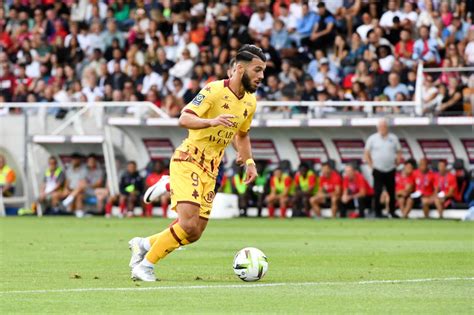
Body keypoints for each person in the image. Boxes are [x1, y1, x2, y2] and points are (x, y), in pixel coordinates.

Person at [129, 45, 265, 281]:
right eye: (257, 70)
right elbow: (184, 117)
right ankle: (145, 266)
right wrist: (212, 122)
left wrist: (249, 161)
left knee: (194, 233)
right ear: (240, 68)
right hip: (189, 159)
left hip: (212, 169)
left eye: (263, 71)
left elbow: (241, 134)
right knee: (188, 222)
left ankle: (143, 244)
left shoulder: (250, 102)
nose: (261, 76)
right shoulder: (213, 90)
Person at [364, 119, 402, 218]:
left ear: (387, 127)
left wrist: (398, 161)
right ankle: (377, 212)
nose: (382, 128)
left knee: (391, 191)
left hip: (390, 169)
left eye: (384, 126)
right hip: (377, 169)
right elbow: (367, 153)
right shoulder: (372, 139)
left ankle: (392, 212)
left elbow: (399, 151)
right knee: (377, 192)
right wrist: (371, 165)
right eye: (381, 127)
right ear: (378, 128)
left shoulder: (393, 138)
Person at [61, 153, 87, 217]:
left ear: (79, 160)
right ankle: (70, 211)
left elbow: (82, 184)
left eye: (75, 159)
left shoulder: (84, 169)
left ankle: (78, 212)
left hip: (82, 191)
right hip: (71, 190)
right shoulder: (69, 169)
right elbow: (67, 181)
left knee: (79, 194)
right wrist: (66, 188)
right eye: (73, 159)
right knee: (71, 193)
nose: (74, 161)